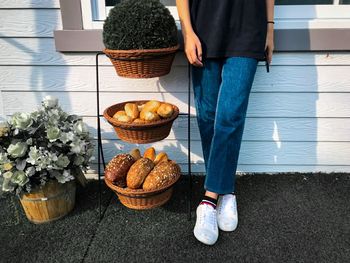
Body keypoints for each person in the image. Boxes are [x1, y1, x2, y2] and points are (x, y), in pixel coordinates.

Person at [176, 0, 275, 245]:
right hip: (203, 29)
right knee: (208, 114)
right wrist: (188, 32)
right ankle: (227, 189)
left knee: (231, 115)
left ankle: (209, 199)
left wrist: (270, 28)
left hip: (249, 28)